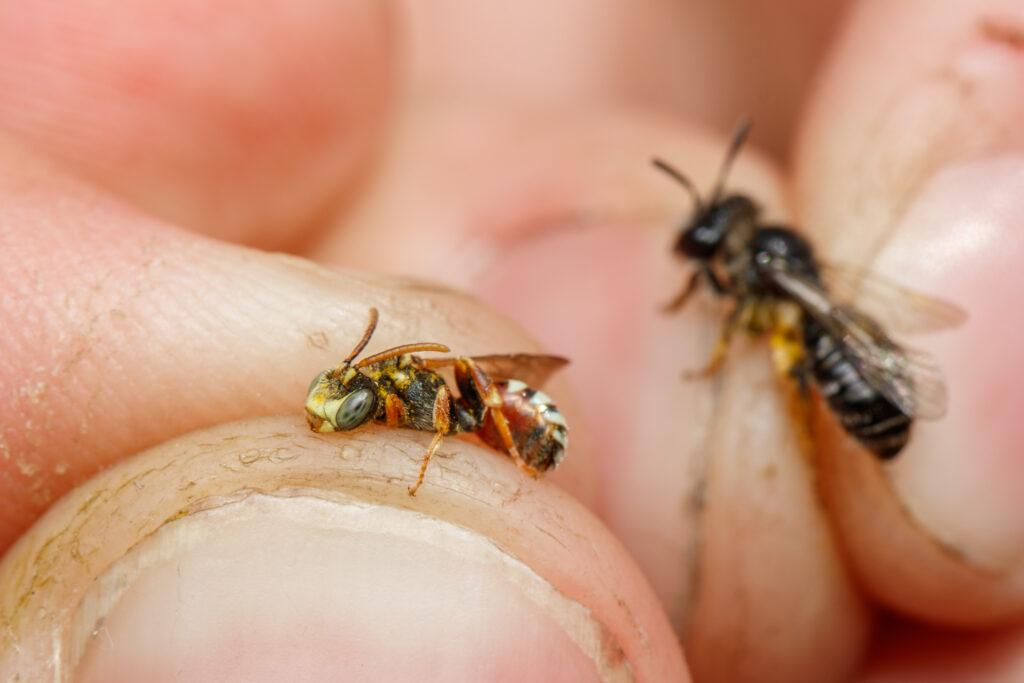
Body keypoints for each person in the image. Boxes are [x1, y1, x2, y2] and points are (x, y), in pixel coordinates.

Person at [2, 1, 1023, 680]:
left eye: (708, 247)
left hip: (819, 377)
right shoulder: (742, 267)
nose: (698, 254)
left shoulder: (764, 286)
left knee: (795, 366)